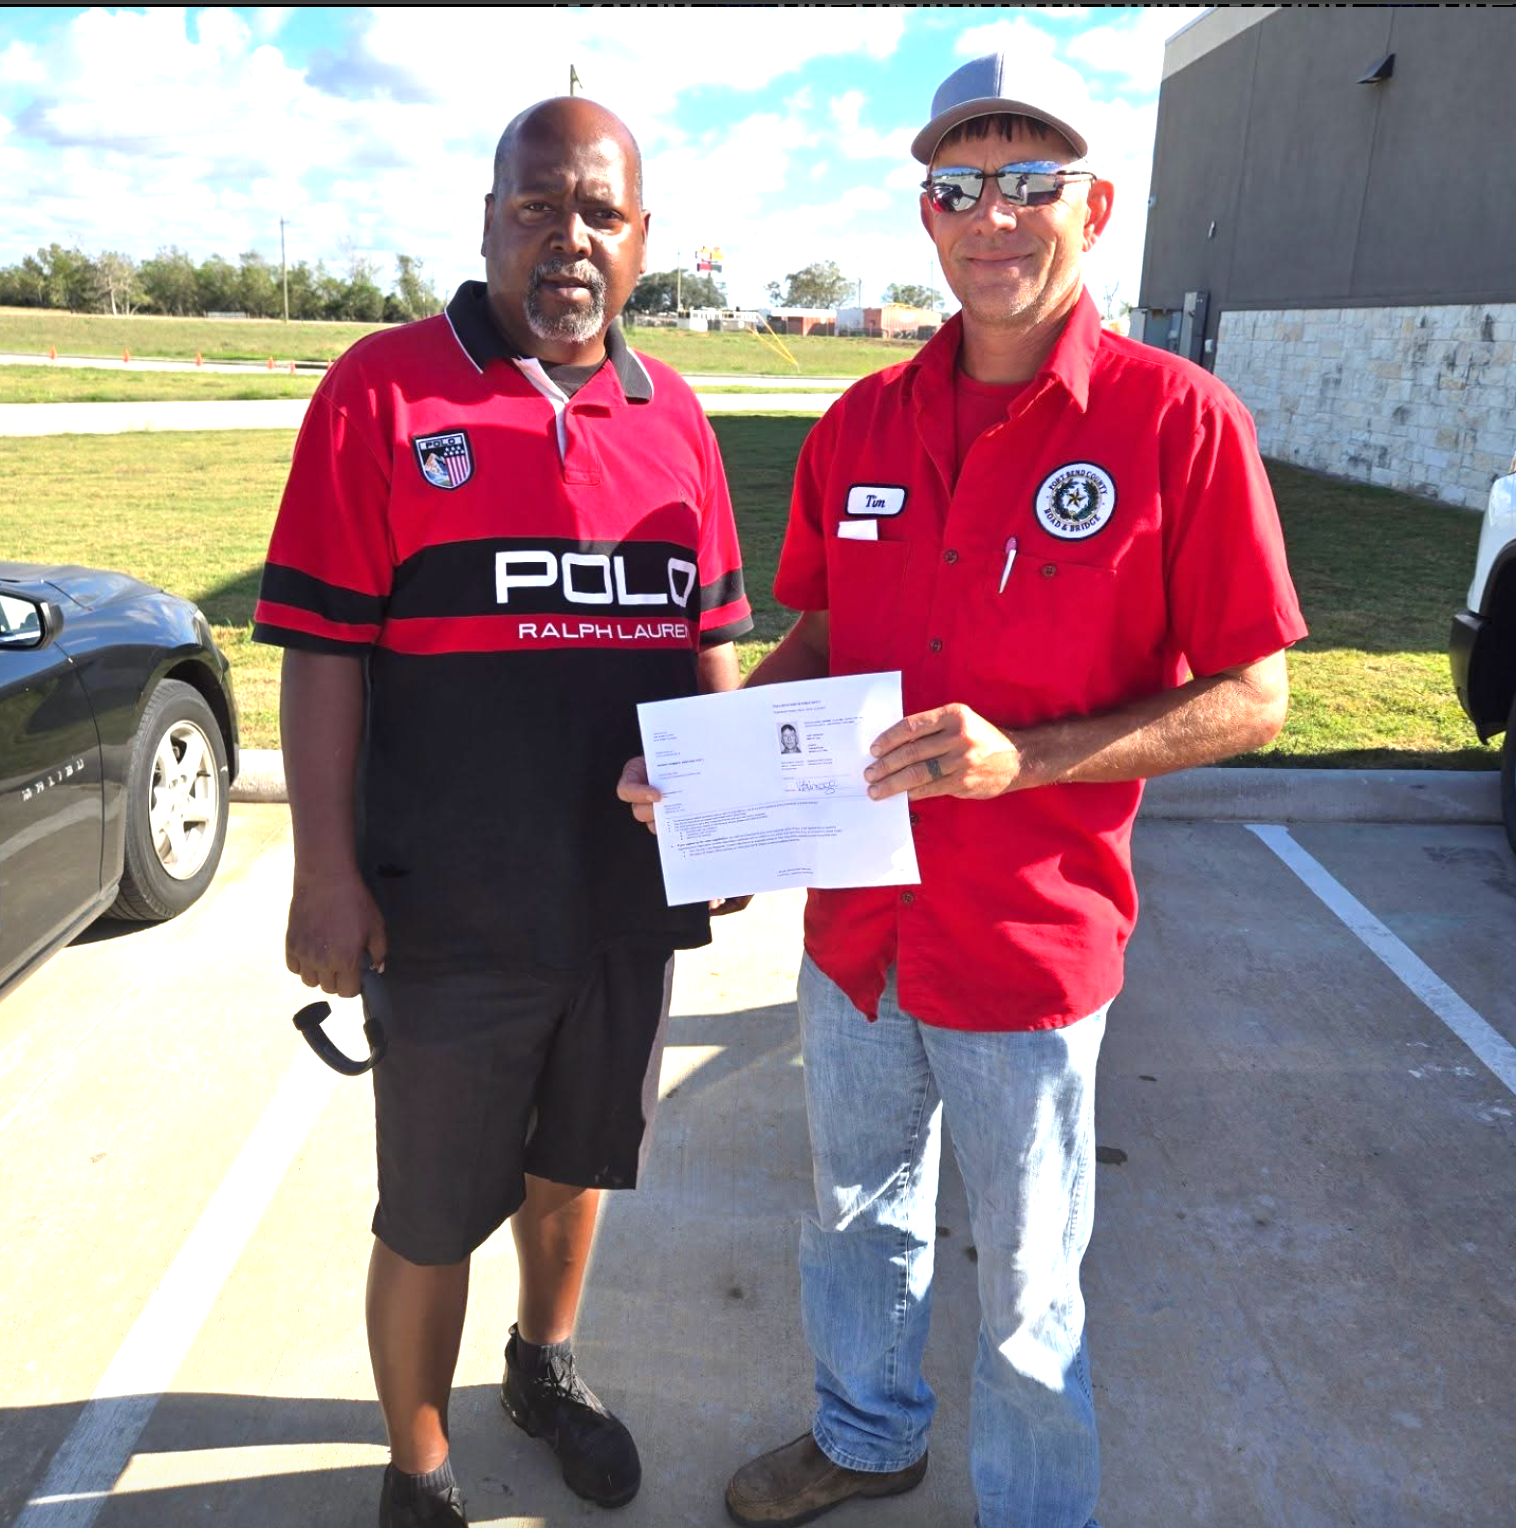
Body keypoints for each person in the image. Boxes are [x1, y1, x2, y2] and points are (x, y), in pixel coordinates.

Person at [621, 49, 1307, 1528]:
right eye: (959, 185)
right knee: (854, 1220)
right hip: (859, 930)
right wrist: (715, 772)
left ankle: (1035, 1507)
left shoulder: (1175, 423)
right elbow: (817, 636)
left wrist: (1031, 760)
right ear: (924, 216)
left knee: (1027, 1274)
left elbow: (1259, 692)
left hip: (1032, 951)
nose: (994, 215)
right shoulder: (860, 425)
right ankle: (867, 1440)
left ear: (1095, 204)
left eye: (1030, 180)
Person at [253, 97, 752, 1528]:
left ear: (643, 243)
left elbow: (711, 631)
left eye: (600, 213)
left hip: (618, 901)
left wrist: (725, 819)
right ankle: (417, 1472)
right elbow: (327, 648)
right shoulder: (384, 391)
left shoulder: (676, 417)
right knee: (427, 1212)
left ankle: (544, 1365)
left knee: (573, 1164)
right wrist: (325, 872)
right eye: (539, 207)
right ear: (488, 223)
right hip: (445, 904)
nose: (569, 239)